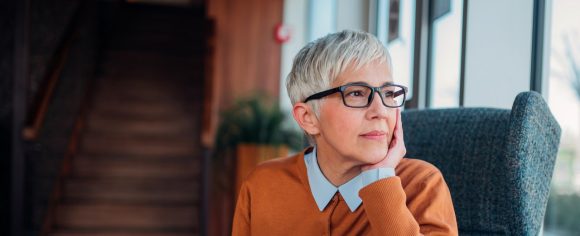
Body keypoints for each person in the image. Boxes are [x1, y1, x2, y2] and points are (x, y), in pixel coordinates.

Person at [232, 30, 458, 235]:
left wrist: (380, 179)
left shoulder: (422, 184)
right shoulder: (262, 185)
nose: (380, 111)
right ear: (308, 118)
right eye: (357, 93)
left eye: (388, 93)